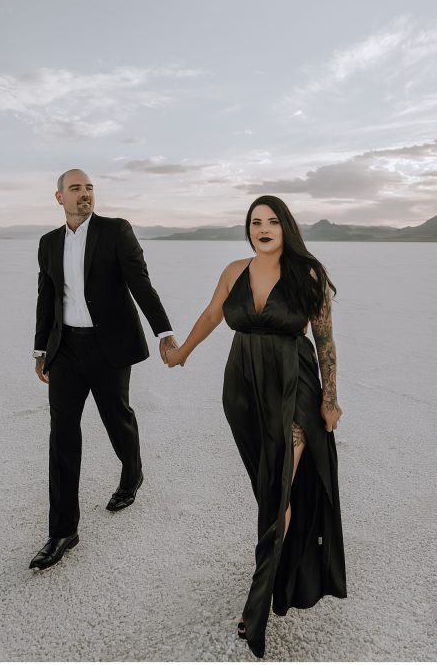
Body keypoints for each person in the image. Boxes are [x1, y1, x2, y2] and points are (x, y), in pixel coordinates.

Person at [166, 195, 347, 657]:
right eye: (254, 222)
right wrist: (183, 351)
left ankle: (257, 606)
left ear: (286, 226)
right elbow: (212, 315)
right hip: (243, 390)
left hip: (294, 389)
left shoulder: (308, 274)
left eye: (271, 221)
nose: (262, 228)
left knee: (280, 487)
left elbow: (324, 340)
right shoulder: (233, 271)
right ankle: (280, 570)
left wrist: (330, 398)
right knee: (267, 487)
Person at [30, 169, 177, 571]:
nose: (85, 195)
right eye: (75, 189)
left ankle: (132, 475)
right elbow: (47, 299)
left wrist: (164, 331)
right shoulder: (48, 243)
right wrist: (41, 349)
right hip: (66, 351)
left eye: (89, 188)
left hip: (109, 346)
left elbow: (140, 283)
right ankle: (63, 531)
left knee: (117, 418)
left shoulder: (116, 231)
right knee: (62, 435)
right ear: (59, 197)